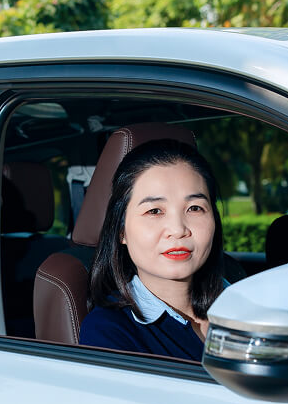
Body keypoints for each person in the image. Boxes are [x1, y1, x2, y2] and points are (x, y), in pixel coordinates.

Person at [79, 139, 227, 361]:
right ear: (121, 231)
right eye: (155, 211)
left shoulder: (246, 304)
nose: (178, 230)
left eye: (194, 208)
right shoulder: (108, 333)